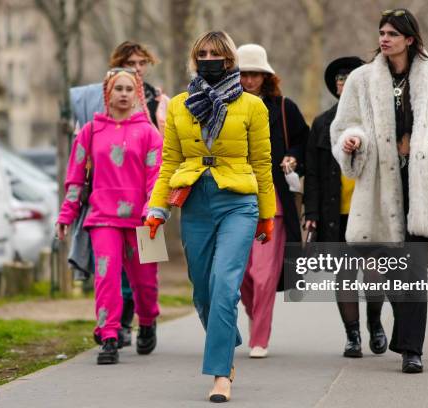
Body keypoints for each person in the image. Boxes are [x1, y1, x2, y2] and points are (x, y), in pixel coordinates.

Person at [330, 8, 428, 373]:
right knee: (388, 269)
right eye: (381, 32)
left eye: (392, 33)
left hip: (422, 190)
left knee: (414, 271)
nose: (384, 38)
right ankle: (401, 333)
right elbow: (345, 125)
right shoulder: (361, 80)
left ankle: (412, 350)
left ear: (410, 39)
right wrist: (353, 142)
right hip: (378, 191)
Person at [146, 31, 275, 402]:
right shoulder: (180, 105)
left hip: (238, 202)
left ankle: (221, 374)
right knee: (202, 290)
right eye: (201, 53)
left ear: (229, 60)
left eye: (215, 53)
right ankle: (226, 339)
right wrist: (158, 207)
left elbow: (262, 163)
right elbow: (169, 161)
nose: (208, 58)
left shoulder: (252, 106)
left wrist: (266, 213)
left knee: (224, 286)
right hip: (195, 202)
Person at [57, 68, 163, 364]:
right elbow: (75, 177)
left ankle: (148, 321)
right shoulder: (91, 131)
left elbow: (157, 177)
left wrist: (152, 211)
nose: (124, 94)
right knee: (107, 278)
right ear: (108, 93)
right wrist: (66, 215)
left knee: (145, 283)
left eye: (130, 89)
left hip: (145, 219)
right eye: (119, 89)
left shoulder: (149, 132)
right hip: (102, 216)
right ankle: (109, 336)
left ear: (138, 94)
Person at [304, 56, 387, 358]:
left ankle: (375, 323)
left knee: (375, 271)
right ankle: (352, 335)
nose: (344, 83)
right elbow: (312, 173)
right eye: (339, 79)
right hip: (334, 213)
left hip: (370, 210)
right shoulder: (323, 123)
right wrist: (310, 214)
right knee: (345, 275)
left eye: (349, 78)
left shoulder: (378, 118)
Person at [236, 43, 309, 359]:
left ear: (266, 77)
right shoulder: (225, 107)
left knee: (264, 275)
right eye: (243, 74)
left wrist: (293, 159)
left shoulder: (283, 108)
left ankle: (260, 337)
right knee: (239, 275)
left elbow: (304, 144)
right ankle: (257, 317)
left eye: (255, 74)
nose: (249, 80)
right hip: (234, 200)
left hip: (273, 203)